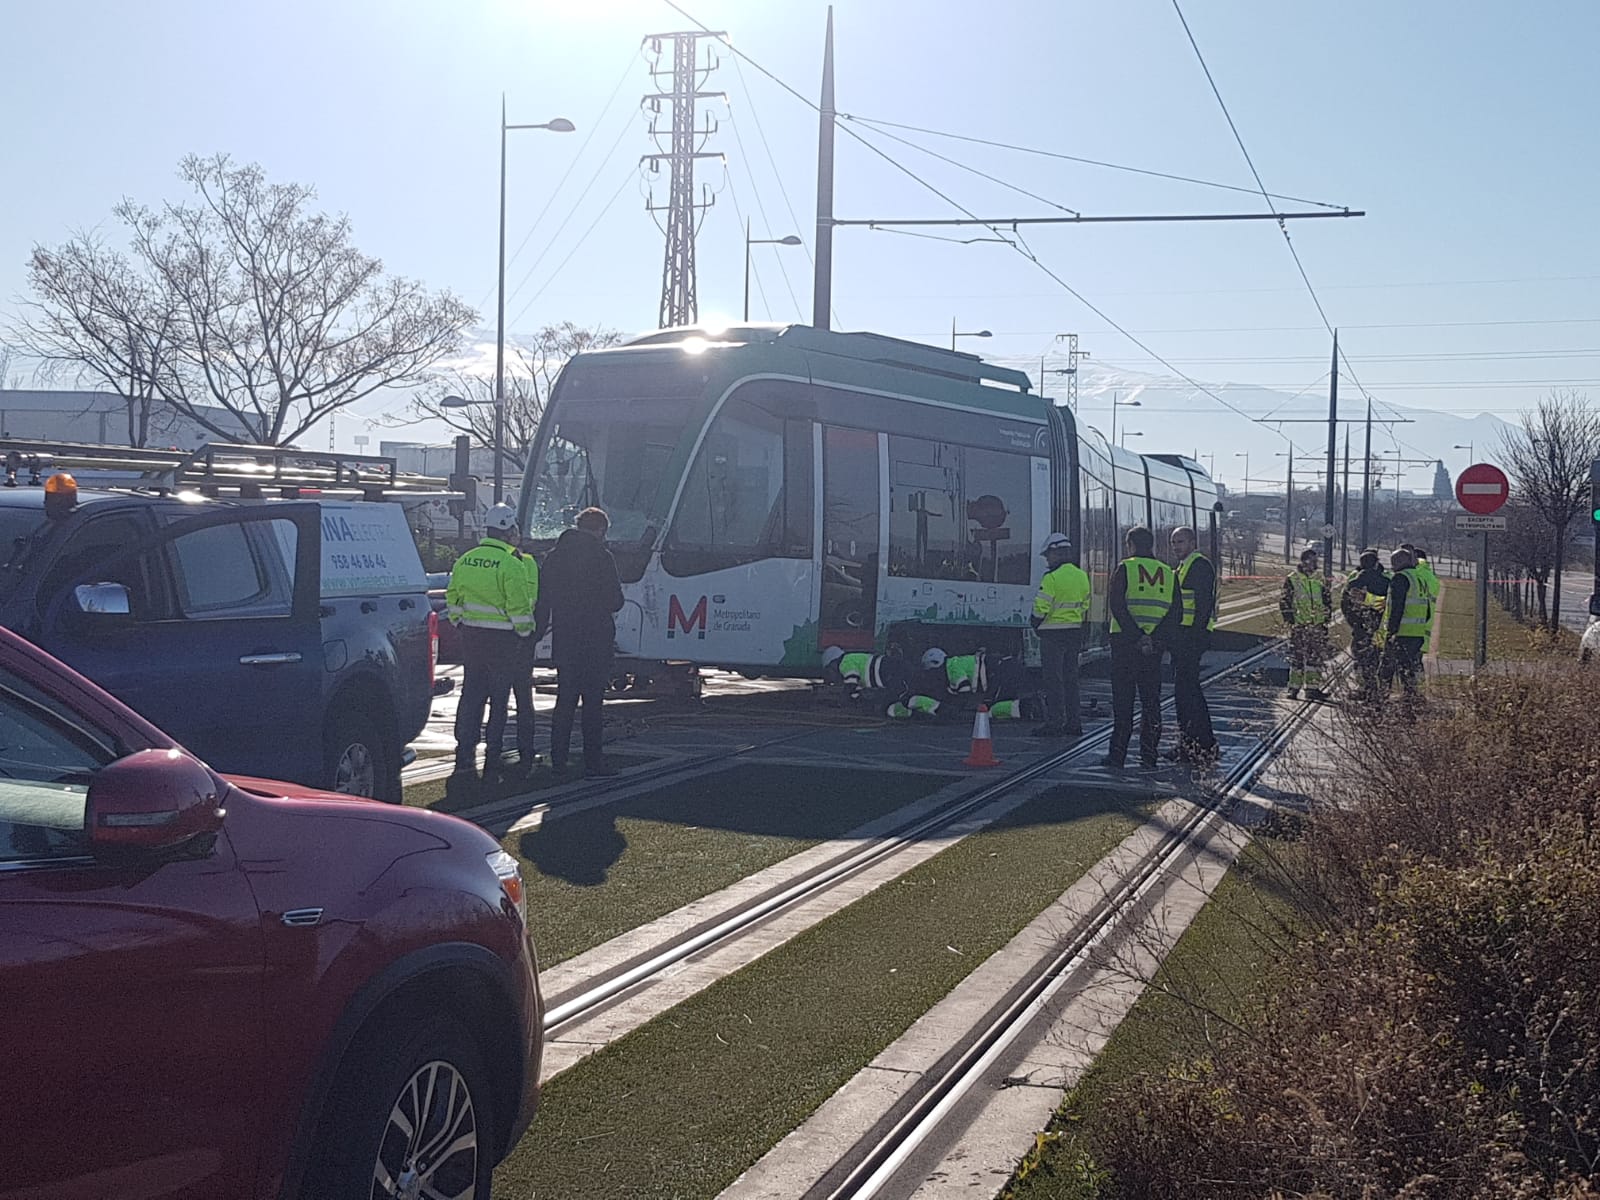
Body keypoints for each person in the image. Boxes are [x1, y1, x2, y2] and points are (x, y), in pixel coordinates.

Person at [445, 503, 535, 791]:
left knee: (471, 694)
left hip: (472, 637)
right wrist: (525, 633)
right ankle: (492, 752)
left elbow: (453, 596)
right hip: (503, 642)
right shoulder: (512, 564)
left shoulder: (466, 559)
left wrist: (460, 623)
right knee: (499, 699)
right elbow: (519, 607)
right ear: (508, 530)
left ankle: (465, 748)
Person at [536, 506, 625, 777]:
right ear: (600, 530)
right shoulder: (602, 557)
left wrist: (536, 635)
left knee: (565, 702)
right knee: (593, 705)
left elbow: (543, 602)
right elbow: (616, 601)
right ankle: (593, 761)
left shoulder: (554, 557)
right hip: (596, 640)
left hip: (566, 639)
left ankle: (558, 759)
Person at [1103, 526, 1176, 770]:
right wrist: (1154, 638)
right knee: (1151, 702)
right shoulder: (1168, 572)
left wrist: (1137, 636)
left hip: (1125, 644)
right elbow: (1175, 612)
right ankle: (1149, 755)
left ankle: (1117, 755)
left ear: (1131, 545)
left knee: (1123, 703)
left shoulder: (1126, 568)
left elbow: (1117, 605)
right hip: (1154, 649)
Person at [1165, 525, 1218, 764]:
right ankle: (1191, 744)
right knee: (1185, 693)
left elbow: (1202, 604)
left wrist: (1195, 637)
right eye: (1174, 542)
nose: (1177, 547)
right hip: (1182, 638)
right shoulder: (1183, 567)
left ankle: (1201, 745)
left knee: (1189, 694)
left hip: (1191, 638)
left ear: (1193, 543)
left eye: (1181, 542)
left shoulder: (1199, 566)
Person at [1030, 532, 1090, 738]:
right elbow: (1085, 605)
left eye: (1048, 555)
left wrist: (1035, 623)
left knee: (1053, 680)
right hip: (1074, 632)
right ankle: (1074, 723)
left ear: (1056, 553)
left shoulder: (1052, 577)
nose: (1047, 559)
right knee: (1071, 679)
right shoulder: (1082, 576)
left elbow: (1041, 606)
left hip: (1052, 634)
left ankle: (1055, 722)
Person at [1279, 546, 1333, 700]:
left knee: (1314, 658)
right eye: (1312, 560)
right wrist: (1291, 620)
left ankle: (1312, 689)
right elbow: (1284, 601)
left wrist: (1326, 617)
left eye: (1316, 560)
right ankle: (1293, 688)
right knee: (1297, 657)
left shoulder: (1319, 578)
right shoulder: (1292, 579)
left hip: (1317, 625)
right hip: (1300, 625)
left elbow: (1326, 600)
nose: (1315, 564)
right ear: (1304, 561)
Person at [1379, 546, 1429, 711]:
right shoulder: (1419, 578)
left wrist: (1392, 631)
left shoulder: (1400, 578)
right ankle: (1410, 702)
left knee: (1387, 668)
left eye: (1393, 562)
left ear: (1400, 562)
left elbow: (1397, 607)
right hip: (1417, 633)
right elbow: (1427, 609)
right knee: (1408, 670)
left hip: (1401, 633)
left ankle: (1381, 703)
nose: (1392, 566)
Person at [1340, 548, 1391, 703]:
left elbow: (1345, 605)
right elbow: (1388, 605)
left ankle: (1364, 689)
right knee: (1377, 659)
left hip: (1360, 628)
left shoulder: (1354, 583)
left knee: (1360, 659)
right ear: (1376, 564)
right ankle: (1377, 692)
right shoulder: (1386, 582)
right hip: (1380, 627)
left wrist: (1354, 623)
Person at [821, 645, 908, 700]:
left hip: (887, 671)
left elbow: (851, 684)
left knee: (899, 696)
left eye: (829, 671)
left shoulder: (844, 663)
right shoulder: (850, 659)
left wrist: (843, 698)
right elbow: (857, 688)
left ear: (832, 663)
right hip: (887, 671)